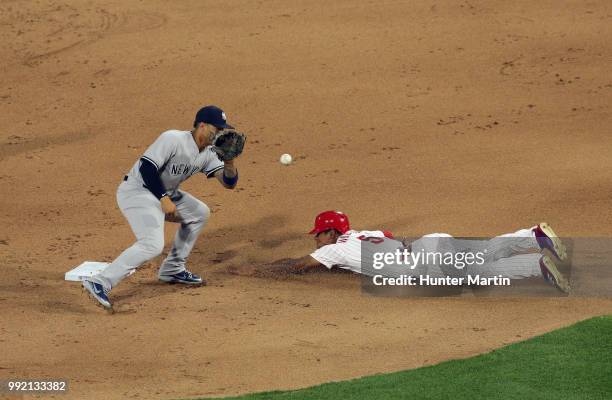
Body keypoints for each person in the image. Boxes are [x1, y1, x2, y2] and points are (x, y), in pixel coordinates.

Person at [82, 105, 244, 310]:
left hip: (164, 193)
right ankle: (100, 282)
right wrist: (163, 198)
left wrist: (229, 162)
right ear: (202, 125)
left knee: (199, 212)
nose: (220, 134)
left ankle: (172, 269)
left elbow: (229, 183)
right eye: (217, 128)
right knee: (152, 244)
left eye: (222, 129)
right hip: (137, 192)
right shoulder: (173, 139)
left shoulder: (212, 153)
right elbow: (147, 168)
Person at [239, 211, 570, 293]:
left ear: (330, 232)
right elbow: (386, 235)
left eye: (318, 235)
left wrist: (259, 270)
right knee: (483, 252)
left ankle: (534, 265)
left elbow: (299, 266)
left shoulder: (334, 251)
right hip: (428, 245)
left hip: (427, 265)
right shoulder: (360, 234)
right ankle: (534, 235)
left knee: (482, 274)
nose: (316, 241)